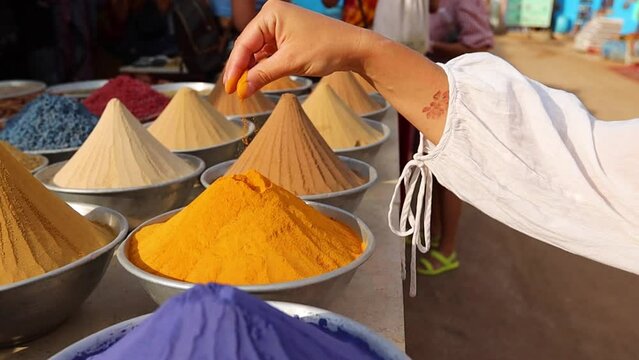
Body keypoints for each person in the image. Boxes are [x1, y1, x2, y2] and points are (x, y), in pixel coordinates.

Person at [224, 2, 639, 296]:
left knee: (449, 173)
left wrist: (371, 52)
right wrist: (365, 51)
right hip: (419, 86)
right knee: (446, 163)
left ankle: (445, 246)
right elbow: (584, 160)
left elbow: (577, 165)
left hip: (427, 82)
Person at [418, 0, 494, 275]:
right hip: (429, 94)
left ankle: (447, 248)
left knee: (451, 176)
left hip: (457, 94)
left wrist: (429, 46)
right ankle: (436, 234)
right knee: (434, 169)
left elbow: (481, 48)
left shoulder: (463, 2)